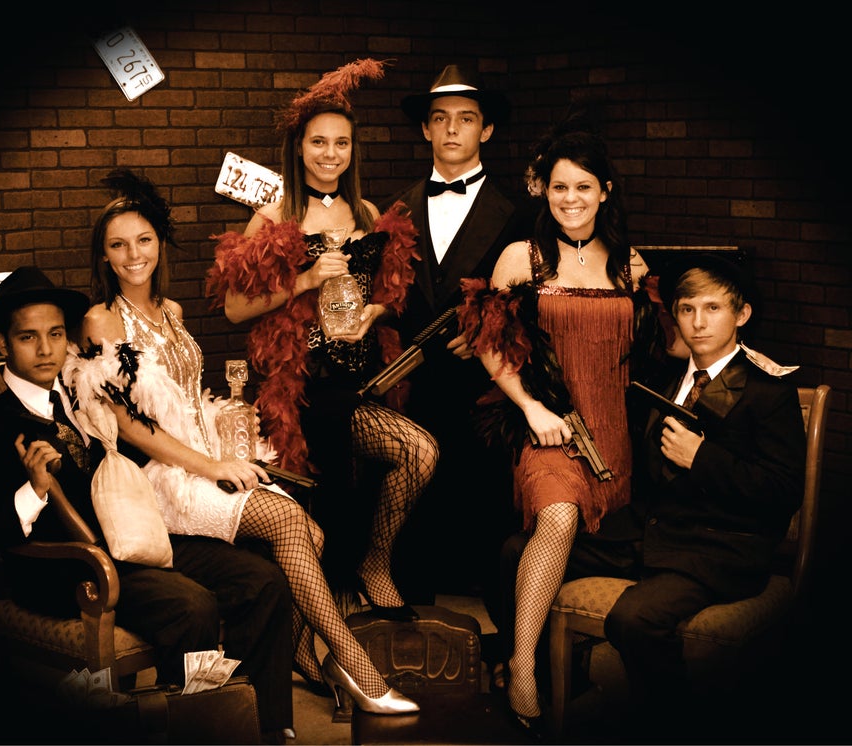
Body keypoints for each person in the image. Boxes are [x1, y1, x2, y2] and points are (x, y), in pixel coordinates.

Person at [76, 166, 420, 720]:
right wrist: (210, 466)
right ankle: (356, 667)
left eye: (143, 240)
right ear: (104, 256)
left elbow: (187, 403)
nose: (133, 255)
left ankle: (303, 658)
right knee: (286, 521)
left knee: (311, 532)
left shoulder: (171, 313)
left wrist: (227, 446)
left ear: (160, 245)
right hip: (160, 480)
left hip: (201, 461)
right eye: (118, 245)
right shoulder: (103, 321)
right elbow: (132, 426)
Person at [0, 266, 296, 743]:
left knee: (261, 580)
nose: (45, 349)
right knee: (190, 607)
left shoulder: (83, 390)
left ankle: (254, 727)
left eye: (55, 334)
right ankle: (194, 734)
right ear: (3, 343)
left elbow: (137, 449)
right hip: (65, 570)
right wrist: (33, 491)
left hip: (131, 538)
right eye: (28, 337)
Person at [208, 59, 439, 629]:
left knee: (408, 461)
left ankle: (373, 566)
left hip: (363, 377)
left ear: (353, 150)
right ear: (300, 147)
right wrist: (306, 279)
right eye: (318, 142)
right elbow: (234, 307)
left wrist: (374, 313)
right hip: (306, 388)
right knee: (408, 455)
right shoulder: (275, 214)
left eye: (341, 143)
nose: (330, 154)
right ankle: (339, 604)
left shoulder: (365, 212)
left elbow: (383, 294)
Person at [457, 111, 661, 737]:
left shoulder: (629, 265)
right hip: (546, 428)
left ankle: (565, 663)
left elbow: (663, 347)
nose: (570, 199)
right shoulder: (522, 258)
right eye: (559, 186)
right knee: (559, 516)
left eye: (583, 187)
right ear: (543, 190)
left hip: (612, 438)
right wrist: (531, 407)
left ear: (605, 191)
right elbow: (489, 342)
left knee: (579, 538)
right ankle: (522, 668)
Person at [564, 252, 807, 736]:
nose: (698, 322)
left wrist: (701, 458)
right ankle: (558, 687)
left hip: (719, 549)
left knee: (632, 619)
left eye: (713, 308)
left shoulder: (768, 391)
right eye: (687, 309)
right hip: (653, 532)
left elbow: (783, 491)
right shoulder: (664, 377)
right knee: (518, 552)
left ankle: (677, 729)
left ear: (742, 314)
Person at [385, 63, 531, 611]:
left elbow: (539, 298)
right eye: (440, 118)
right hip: (414, 390)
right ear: (426, 128)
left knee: (486, 518)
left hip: (485, 392)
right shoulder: (396, 209)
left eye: (466, 119)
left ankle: (501, 634)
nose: (452, 129)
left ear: (485, 130)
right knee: (416, 515)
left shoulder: (519, 212)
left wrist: (492, 330)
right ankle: (413, 626)